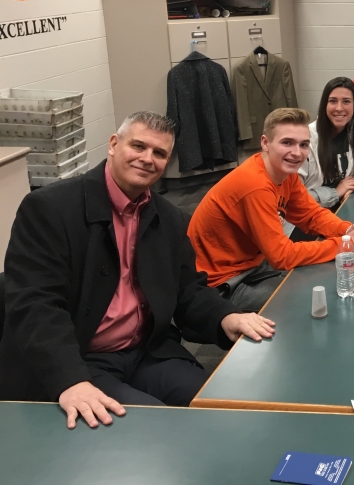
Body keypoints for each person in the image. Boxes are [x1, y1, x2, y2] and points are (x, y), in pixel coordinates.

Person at [0, 111, 274, 429]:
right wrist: (70, 380)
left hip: (147, 352)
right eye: (138, 146)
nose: (148, 158)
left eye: (159, 153)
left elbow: (188, 289)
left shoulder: (170, 219)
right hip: (80, 359)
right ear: (114, 144)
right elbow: (35, 306)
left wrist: (225, 316)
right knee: (159, 431)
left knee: (223, 409)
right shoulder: (50, 209)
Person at [189, 108, 354, 312]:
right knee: (314, 301)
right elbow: (281, 256)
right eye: (287, 143)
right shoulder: (255, 185)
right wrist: (347, 245)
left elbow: (311, 214)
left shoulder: (284, 172)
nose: (297, 153)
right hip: (221, 281)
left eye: (304, 145)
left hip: (253, 263)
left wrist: (347, 231)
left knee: (325, 278)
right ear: (265, 143)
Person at [301, 77, 354, 209]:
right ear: (324, 105)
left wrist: (351, 187)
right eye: (333, 101)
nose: (339, 108)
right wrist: (335, 193)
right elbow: (295, 195)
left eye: (346, 101)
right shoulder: (306, 138)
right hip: (311, 213)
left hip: (345, 205)